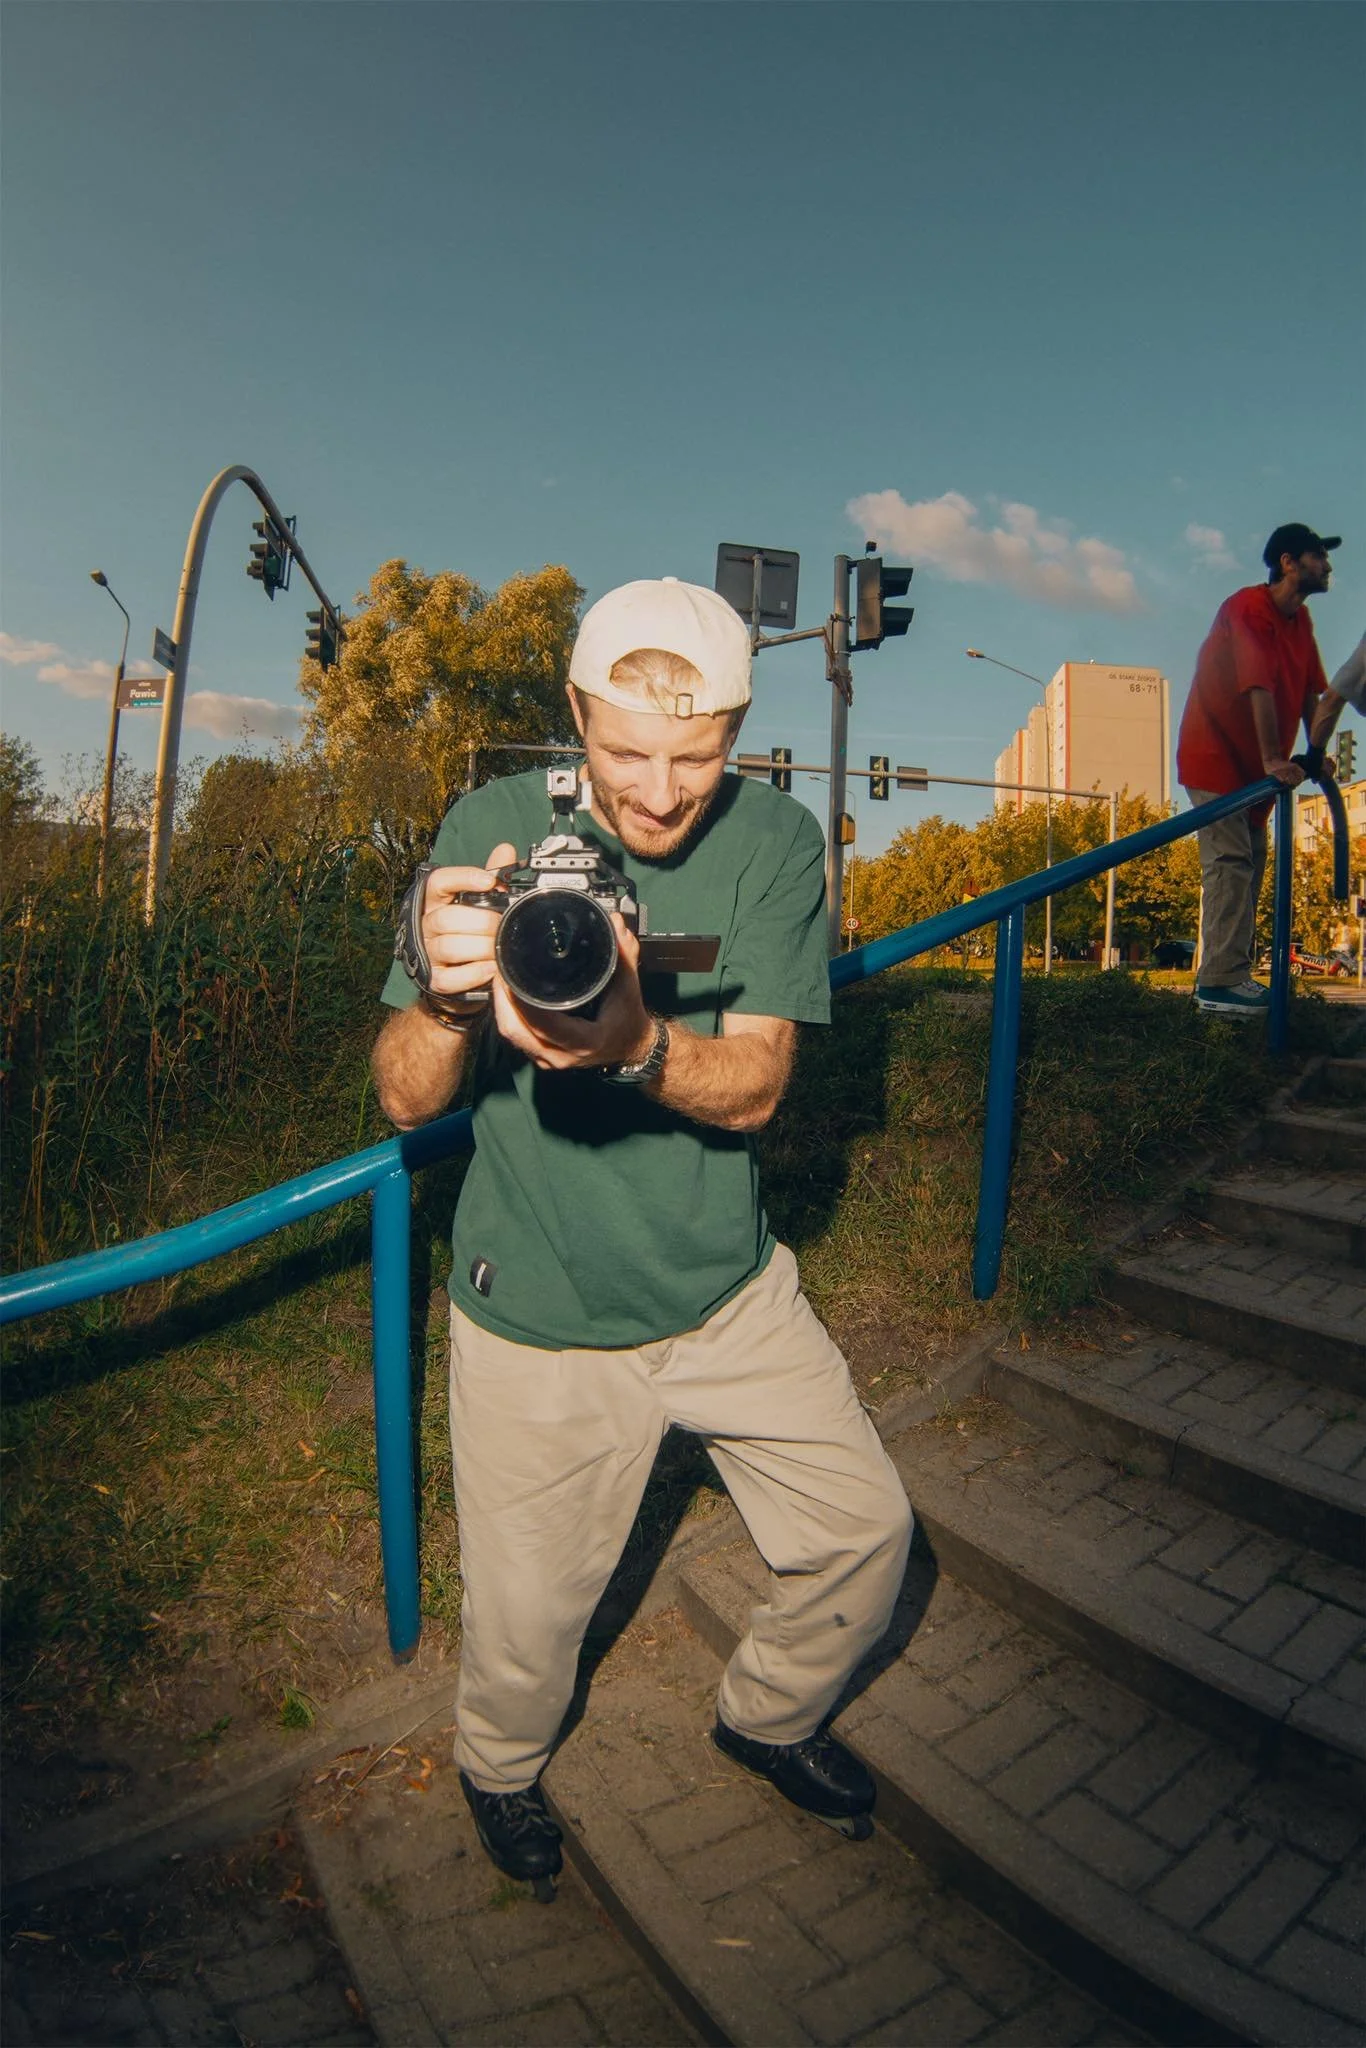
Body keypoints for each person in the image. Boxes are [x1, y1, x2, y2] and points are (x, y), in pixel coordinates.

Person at [371, 576, 913, 1898]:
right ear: (573, 714)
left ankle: (766, 1715)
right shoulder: (495, 827)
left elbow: (763, 1086)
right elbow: (397, 1097)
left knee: (866, 1532)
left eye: (695, 755)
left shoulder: (780, 842)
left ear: (737, 725)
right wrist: (446, 1007)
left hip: (726, 1293)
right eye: (623, 753)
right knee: (524, 1623)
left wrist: (636, 1047)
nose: (660, 793)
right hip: (535, 1310)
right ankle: (498, 1770)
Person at [1176, 522, 1339, 1016]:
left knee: (1251, 869)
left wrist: (1315, 752)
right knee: (1230, 862)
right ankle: (1218, 982)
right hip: (1215, 756)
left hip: (1257, 778)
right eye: (1318, 556)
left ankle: (1233, 975)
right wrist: (1275, 758)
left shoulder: (1302, 623)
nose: (1328, 567)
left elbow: (1313, 692)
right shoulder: (1247, 608)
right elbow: (1257, 685)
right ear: (1288, 562)